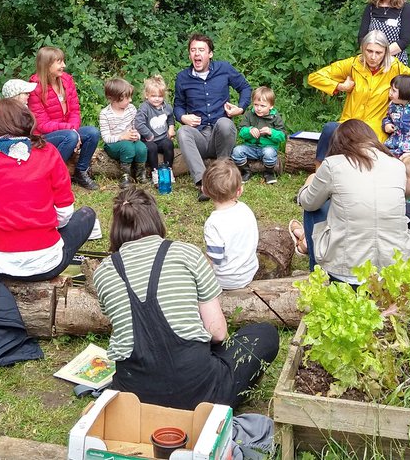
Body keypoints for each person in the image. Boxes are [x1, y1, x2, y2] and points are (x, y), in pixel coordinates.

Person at [93, 187, 279, 410]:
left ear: (116, 228)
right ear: (156, 218)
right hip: (203, 395)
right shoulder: (186, 253)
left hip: (136, 401)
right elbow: (218, 333)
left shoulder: (103, 272)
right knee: (264, 334)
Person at [0, 99, 97, 281]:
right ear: (28, 120)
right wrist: (43, 224)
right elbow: (64, 211)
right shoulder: (48, 152)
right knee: (87, 214)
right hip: (46, 264)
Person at [295, 119, 410, 281]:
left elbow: (308, 202)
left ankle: (316, 273)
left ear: (338, 142)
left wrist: (308, 183)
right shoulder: (398, 165)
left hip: (347, 271)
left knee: (315, 206)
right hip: (396, 268)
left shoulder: (333, 164)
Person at [308, 30, 410, 161]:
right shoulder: (353, 64)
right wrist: (341, 86)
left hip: (376, 128)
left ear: (386, 52)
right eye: (369, 51)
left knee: (364, 151)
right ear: (363, 49)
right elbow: (315, 77)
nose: (373, 57)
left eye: (378, 53)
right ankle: (319, 170)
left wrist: (401, 100)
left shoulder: (396, 68)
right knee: (329, 129)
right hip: (349, 123)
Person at [174, 34, 252, 201]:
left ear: (210, 54)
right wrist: (183, 117)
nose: (197, 53)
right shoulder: (182, 77)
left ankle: (222, 174)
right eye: (193, 50)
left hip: (220, 136)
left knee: (225, 123)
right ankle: (203, 183)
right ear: (189, 55)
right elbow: (178, 105)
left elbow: (245, 87)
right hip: (199, 135)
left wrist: (240, 108)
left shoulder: (224, 69)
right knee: (182, 132)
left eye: (201, 50)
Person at [28, 46, 102, 191]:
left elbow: (75, 110)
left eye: (63, 61)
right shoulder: (35, 87)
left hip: (68, 131)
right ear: (47, 64)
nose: (64, 65)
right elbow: (42, 124)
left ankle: (81, 172)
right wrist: (71, 131)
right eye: (59, 62)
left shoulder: (66, 80)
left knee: (92, 133)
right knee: (70, 137)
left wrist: (73, 129)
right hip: (43, 136)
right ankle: (52, 176)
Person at [202, 161, 259, 290]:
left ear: (204, 190)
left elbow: (215, 258)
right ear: (239, 191)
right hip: (248, 272)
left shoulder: (213, 223)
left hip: (225, 280)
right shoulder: (245, 209)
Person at [230, 86, 287, 184]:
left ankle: (269, 173)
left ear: (271, 106)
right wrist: (249, 131)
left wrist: (271, 132)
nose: (258, 108)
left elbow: (282, 136)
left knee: (269, 153)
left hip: (268, 147)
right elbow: (241, 132)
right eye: (256, 105)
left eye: (262, 106)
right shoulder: (249, 115)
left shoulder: (275, 117)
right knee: (237, 151)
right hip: (250, 147)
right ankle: (246, 171)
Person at [99, 78, 147, 185]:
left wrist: (136, 135)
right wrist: (122, 137)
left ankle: (140, 173)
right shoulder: (105, 114)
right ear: (115, 99)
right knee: (127, 147)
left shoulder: (131, 109)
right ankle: (125, 175)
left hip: (130, 141)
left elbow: (136, 127)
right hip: (113, 144)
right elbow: (106, 138)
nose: (130, 100)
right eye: (127, 97)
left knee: (142, 148)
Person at [135, 75, 175, 184]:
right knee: (152, 148)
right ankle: (155, 172)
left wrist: (171, 128)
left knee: (169, 144)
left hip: (162, 139)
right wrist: (149, 135)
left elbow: (170, 118)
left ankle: (168, 170)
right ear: (147, 95)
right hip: (148, 140)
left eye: (160, 96)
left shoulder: (167, 107)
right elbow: (138, 123)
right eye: (153, 96)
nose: (157, 99)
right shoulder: (144, 107)